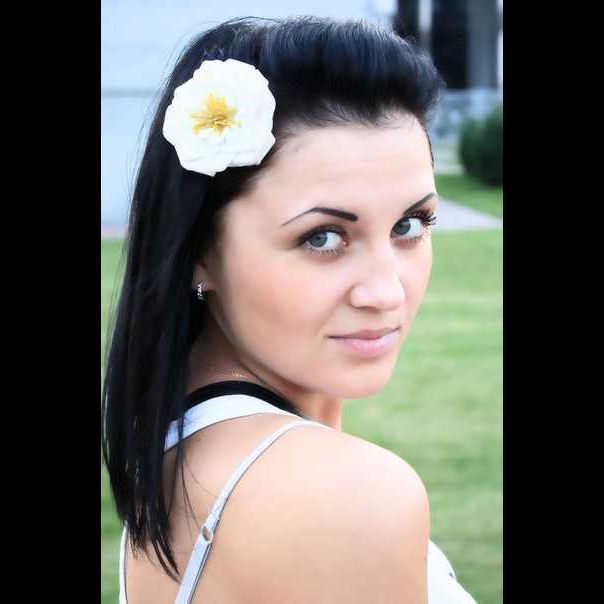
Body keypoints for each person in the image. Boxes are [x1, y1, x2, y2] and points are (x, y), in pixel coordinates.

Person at [101, 15, 477, 603]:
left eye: (410, 224)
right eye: (323, 237)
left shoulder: (176, 458)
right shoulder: (343, 497)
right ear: (198, 249)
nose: (387, 292)